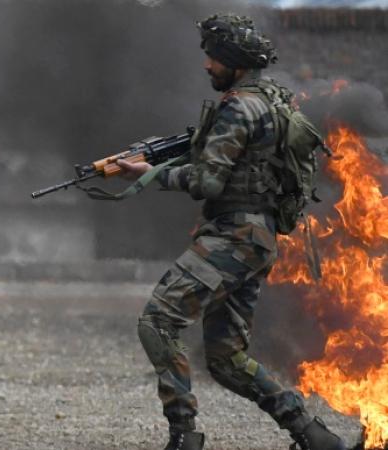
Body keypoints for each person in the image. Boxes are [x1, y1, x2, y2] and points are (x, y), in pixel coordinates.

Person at [116, 14, 345, 450]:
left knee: (158, 321)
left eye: (215, 56)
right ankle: (313, 434)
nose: (207, 64)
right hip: (257, 240)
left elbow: (208, 182)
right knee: (226, 359)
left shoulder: (237, 107)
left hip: (234, 238)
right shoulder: (273, 100)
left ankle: (184, 435)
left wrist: (150, 173)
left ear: (236, 61)